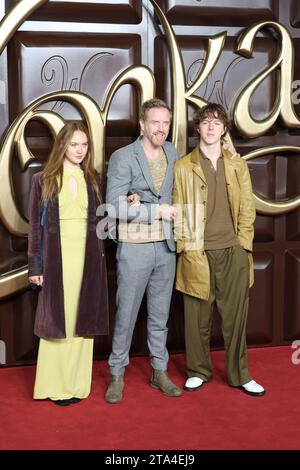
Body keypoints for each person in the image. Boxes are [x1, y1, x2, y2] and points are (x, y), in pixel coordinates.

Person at [173, 103, 265, 397]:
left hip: (233, 251)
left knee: (236, 320)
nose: (210, 127)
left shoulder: (237, 164)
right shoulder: (183, 166)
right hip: (198, 253)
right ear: (197, 128)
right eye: (205, 122)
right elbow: (178, 210)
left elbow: (247, 208)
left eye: (216, 123)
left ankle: (241, 374)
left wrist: (243, 246)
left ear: (224, 129)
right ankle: (198, 371)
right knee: (196, 319)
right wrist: (188, 248)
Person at [105, 98, 182, 403]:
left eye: (165, 122)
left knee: (160, 316)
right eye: (155, 122)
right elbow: (114, 204)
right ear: (142, 124)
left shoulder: (174, 152)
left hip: (165, 247)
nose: (161, 128)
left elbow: (185, 186)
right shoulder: (124, 157)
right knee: (126, 314)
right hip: (134, 248)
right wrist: (154, 210)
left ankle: (159, 371)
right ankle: (116, 373)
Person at [28, 121, 109, 406]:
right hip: (55, 258)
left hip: (88, 258)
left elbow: (103, 222)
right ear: (62, 145)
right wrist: (35, 267)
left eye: (84, 145)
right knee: (56, 321)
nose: (79, 150)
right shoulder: (43, 179)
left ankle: (76, 383)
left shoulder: (95, 179)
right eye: (74, 144)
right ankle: (54, 385)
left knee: (81, 319)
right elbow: (35, 229)